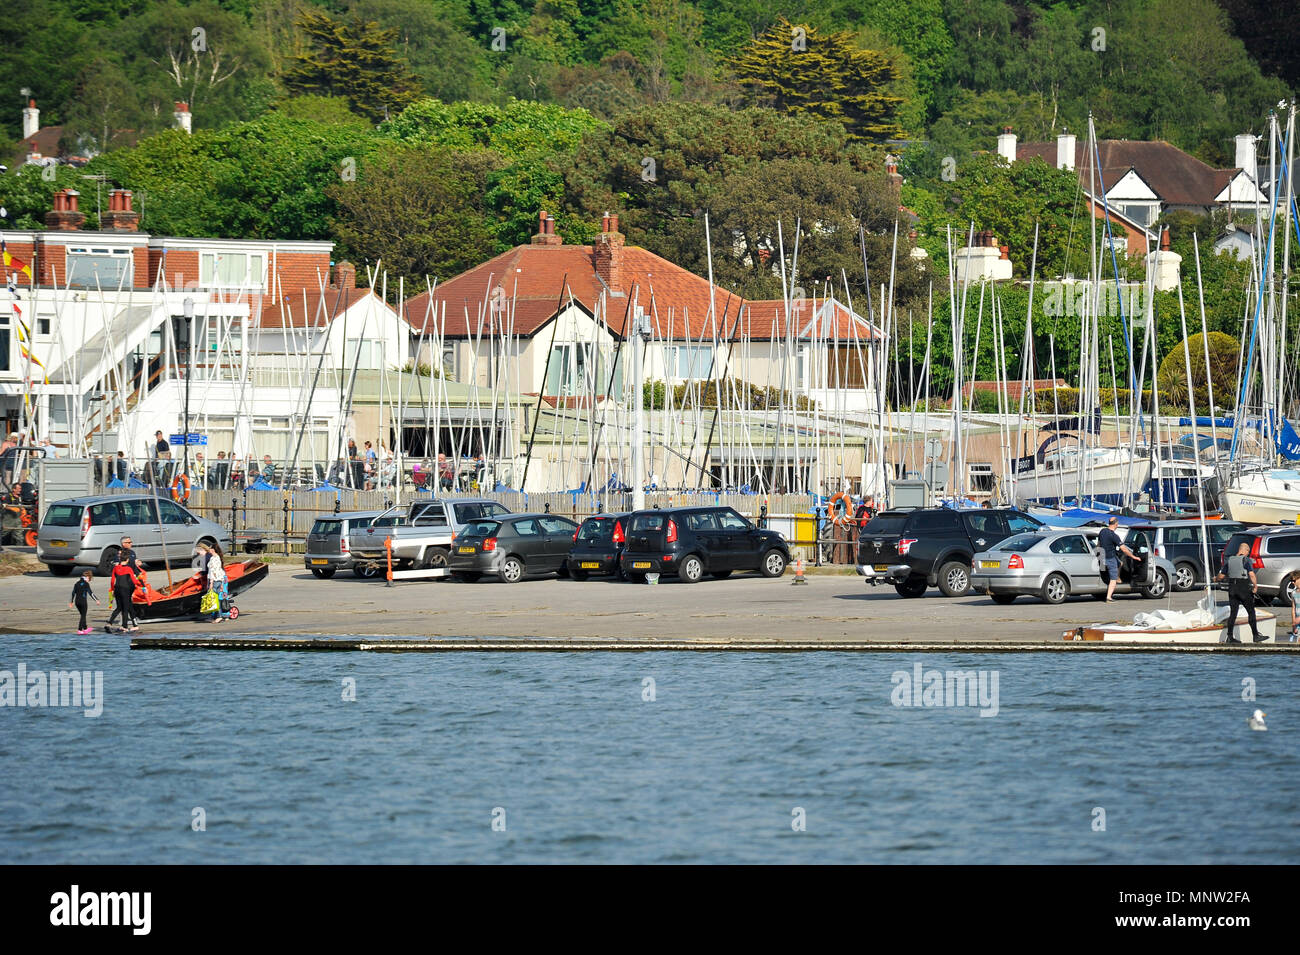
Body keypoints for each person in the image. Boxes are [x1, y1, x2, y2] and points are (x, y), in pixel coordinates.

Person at [1217, 542, 1265, 643]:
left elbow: (1221, 576)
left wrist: (1215, 579)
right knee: (1251, 611)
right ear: (1245, 550)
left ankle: (1229, 637)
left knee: (1233, 613)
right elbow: (1251, 575)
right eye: (1248, 552)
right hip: (1242, 588)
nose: (1248, 554)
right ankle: (1255, 636)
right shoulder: (1246, 560)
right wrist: (1255, 586)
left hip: (1232, 588)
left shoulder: (1229, 560)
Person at [1097, 516, 1138, 602]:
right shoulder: (1114, 536)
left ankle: (1118, 578)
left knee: (1120, 563)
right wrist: (1133, 556)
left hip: (1102, 557)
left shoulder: (1102, 531)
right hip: (1110, 558)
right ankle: (1109, 597)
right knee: (1113, 579)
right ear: (1116, 524)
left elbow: (1099, 544)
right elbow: (1124, 549)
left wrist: (1097, 554)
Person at [106, 536, 141, 630]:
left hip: (130, 583)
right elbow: (116, 565)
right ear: (123, 544)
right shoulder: (119, 553)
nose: (131, 544)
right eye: (129, 542)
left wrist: (138, 563)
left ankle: (125, 625)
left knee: (127, 605)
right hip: (123, 583)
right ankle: (131, 625)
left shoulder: (132, 553)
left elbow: (135, 566)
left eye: (131, 542)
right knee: (126, 605)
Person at [109, 552, 144, 633]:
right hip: (127, 589)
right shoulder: (129, 568)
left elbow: (112, 581)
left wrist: (112, 589)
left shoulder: (116, 568)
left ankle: (125, 626)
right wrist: (141, 584)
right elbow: (134, 580)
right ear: (127, 559)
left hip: (119, 589)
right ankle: (130, 626)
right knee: (127, 607)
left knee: (123, 607)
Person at [68, 568, 100, 635]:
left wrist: (71, 602)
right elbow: (91, 593)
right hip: (83, 602)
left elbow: (73, 593)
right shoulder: (86, 584)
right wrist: (96, 600)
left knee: (83, 615)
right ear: (87, 577)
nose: (89, 580)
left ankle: (85, 628)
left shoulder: (76, 583)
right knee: (83, 615)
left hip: (77, 602)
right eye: (89, 579)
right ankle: (79, 630)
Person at [207, 544, 228, 623]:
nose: (209, 549)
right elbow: (221, 571)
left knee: (214, 599)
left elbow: (213, 572)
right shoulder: (217, 558)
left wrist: (211, 583)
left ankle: (218, 616)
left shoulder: (214, 559)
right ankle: (215, 616)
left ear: (213, 550)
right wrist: (222, 583)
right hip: (219, 581)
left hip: (214, 581)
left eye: (210, 548)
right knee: (215, 599)